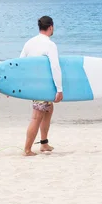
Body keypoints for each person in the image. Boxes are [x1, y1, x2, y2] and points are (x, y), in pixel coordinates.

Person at [19, 15, 64, 156]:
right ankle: (27, 149)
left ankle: (44, 144)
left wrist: (13, 85)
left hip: (34, 85)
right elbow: (55, 67)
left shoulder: (29, 43)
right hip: (42, 87)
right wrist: (59, 89)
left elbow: (20, 64)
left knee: (48, 109)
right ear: (51, 27)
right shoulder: (50, 45)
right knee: (36, 117)